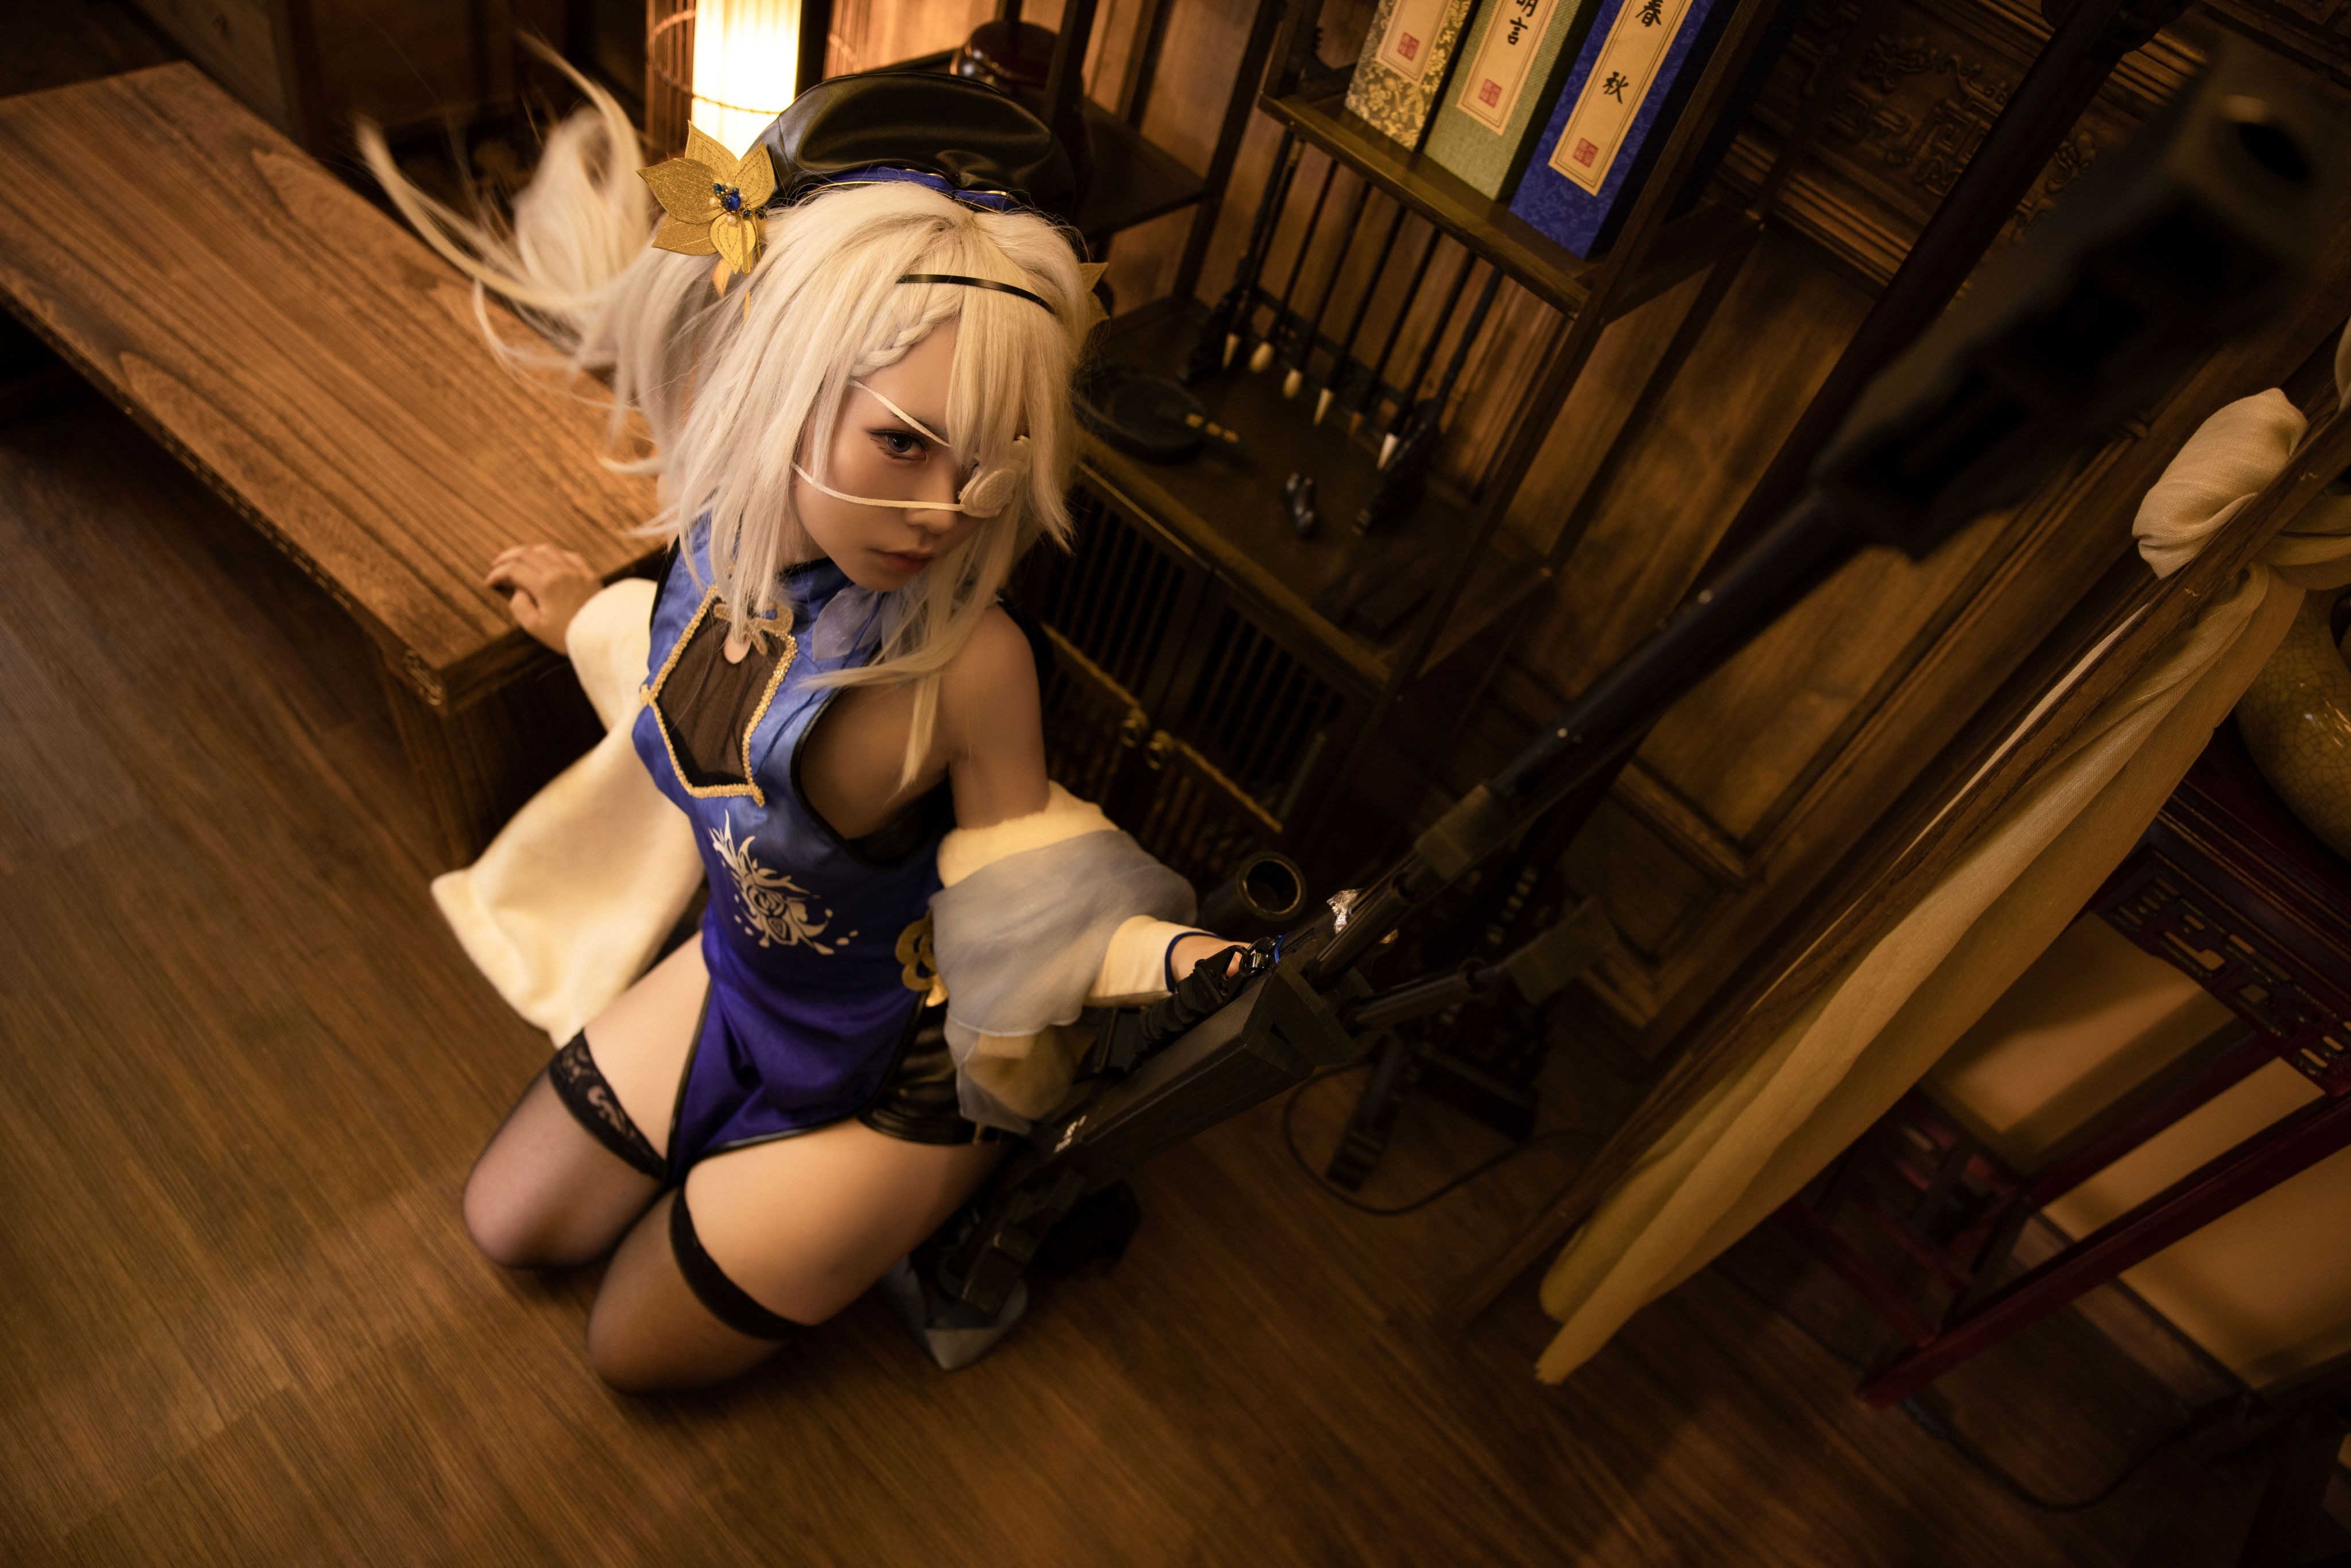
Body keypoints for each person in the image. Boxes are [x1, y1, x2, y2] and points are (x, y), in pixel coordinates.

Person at [363, 65, 1237, 1392]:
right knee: (509, 1219)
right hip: (743, 979)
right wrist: (585, 620)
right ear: (786, 387)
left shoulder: (975, 663)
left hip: (898, 1059)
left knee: (629, 1351)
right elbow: (686, 690)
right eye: (903, 444)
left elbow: (1031, 889)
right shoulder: (722, 548)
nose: (943, 511)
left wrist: (1173, 959)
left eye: (988, 459)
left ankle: (961, 1169)